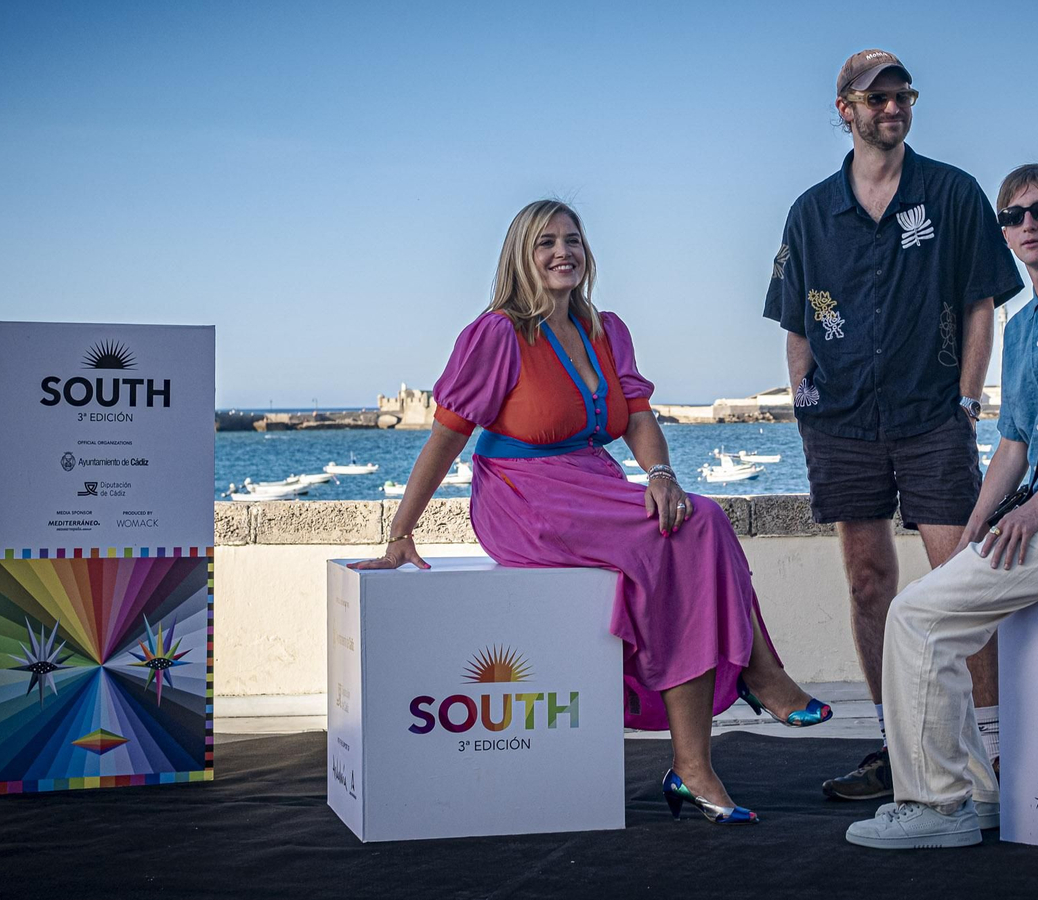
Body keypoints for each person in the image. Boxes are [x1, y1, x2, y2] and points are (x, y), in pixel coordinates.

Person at [352, 199, 831, 826]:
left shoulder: (608, 330)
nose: (562, 252)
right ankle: (759, 678)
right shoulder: (497, 333)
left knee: (695, 519)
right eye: (545, 242)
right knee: (687, 531)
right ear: (521, 256)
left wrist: (660, 474)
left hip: (590, 481)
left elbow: (636, 416)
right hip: (522, 495)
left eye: (572, 240)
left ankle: (696, 763)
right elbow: (447, 436)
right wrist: (400, 533)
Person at [844, 164, 1038, 849]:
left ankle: (936, 804)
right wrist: (975, 530)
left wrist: (1034, 510)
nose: (1026, 226)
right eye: (1011, 217)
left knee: (914, 618)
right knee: (933, 615)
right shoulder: (1024, 327)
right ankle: (979, 800)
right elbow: (1014, 443)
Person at [763, 49, 1024, 801]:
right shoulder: (811, 212)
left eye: (901, 96)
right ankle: (896, 748)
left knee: (962, 581)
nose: (892, 109)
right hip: (841, 423)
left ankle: (994, 750)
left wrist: (969, 402)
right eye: (875, 99)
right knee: (869, 583)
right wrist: (805, 404)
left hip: (932, 416)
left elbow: (982, 302)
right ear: (844, 109)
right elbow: (795, 318)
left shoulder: (951, 194)